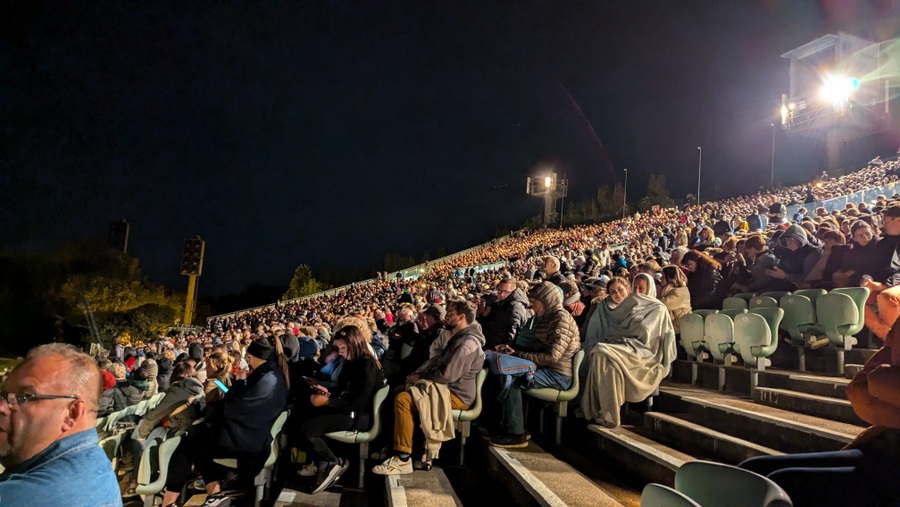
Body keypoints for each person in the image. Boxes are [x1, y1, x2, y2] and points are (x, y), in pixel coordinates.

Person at [738, 317, 900, 506]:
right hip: (886, 447)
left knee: (785, 484)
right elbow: (861, 387)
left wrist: (883, 383)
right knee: (752, 470)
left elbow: (880, 381)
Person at [161, 338, 288, 507]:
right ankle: (213, 495)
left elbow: (234, 406)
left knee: (188, 444)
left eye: (249, 356)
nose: (247, 359)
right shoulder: (272, 374)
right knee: (196, 439)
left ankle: (171, 503)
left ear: (253, 356)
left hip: (247, 442)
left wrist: (240, 381)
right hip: (255, 437)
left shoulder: (266, 379)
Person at [0, 343, 121, 506]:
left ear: (73, 413)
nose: (2, 406)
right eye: (3, 395)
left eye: (24, 397)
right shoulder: (93, 464)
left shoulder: (29, 495)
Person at [372, 299, 484, 475]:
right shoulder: (458, 338)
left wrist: (420, 377)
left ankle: (402, 457)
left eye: (450, 313)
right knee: (399, 390)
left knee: (404, 399)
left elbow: (447, 375)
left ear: (462, 317)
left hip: (455, 395)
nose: (446, 317)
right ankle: (398, 445)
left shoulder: (467, 343)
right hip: (444, 388)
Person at [489, 282, 580, 448]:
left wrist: (518, 354)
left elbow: (552, 357)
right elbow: (538, 348)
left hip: (558, 375)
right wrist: (513, 350)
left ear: (546, 300)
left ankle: (517, 433)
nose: (532, 305)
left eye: (535, 301)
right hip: (546, 369)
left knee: (512, 380)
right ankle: (509, 424)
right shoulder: (547, 318)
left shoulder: (560, 319)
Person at [295, 325, 384, 493]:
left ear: (354, 344)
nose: (341, 352)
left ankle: (329, 462)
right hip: (348, 409)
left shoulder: (367, 365)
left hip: (358, 416)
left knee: (307, 429)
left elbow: (358, 402)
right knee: (302, 412)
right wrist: (326, 391)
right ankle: (321, 461)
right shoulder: (353, 363)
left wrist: (327, 402)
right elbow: (345, 390)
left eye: (343, 348)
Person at [580, 278, 676, 428]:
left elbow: (648, 336)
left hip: (643, 352)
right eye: (635, 287)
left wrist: (624, 335)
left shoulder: (658, 308)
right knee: (602, 357)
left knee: (601, 351)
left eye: (641, 288)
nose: (637, 292)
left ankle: (601, 411)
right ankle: (606, 412)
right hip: (619, 347)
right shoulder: (618, 308)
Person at [658, 266, 691, 334]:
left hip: (677, 329)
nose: (660, 278)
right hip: (669, 327)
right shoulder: (664, 290)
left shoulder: (680, 293)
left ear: (670, 278)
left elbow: (662, 304)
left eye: (663, 276)